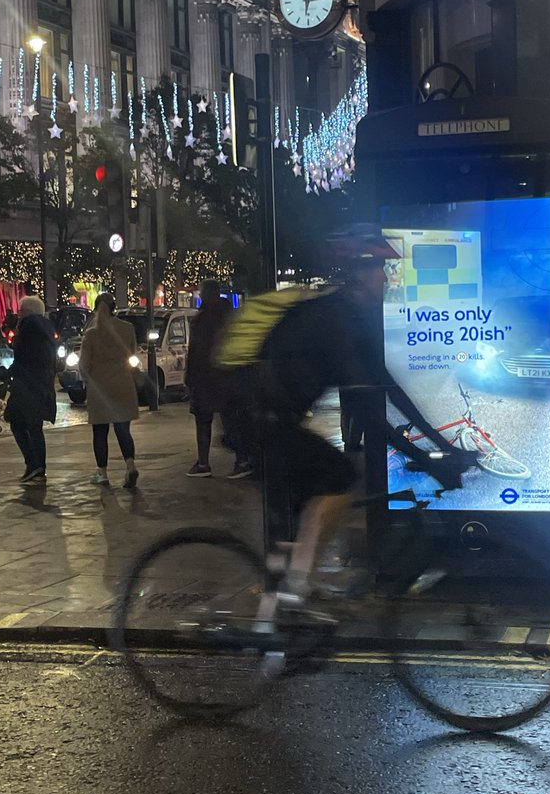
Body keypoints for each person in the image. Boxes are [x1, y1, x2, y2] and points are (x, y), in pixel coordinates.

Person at [249, 225, 475, 599]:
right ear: (359, 273)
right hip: (260, 420)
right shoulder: (336, 320)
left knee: (312, 504)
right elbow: (371, 415)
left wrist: (444, 446)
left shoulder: (350, 318)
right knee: (338, 478)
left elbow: (389, 391)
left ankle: (292, 592)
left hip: (273, 419)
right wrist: (428, 460)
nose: (385, 278)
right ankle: (296, 591)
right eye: (380, 270)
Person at [185, 280, 251, 479]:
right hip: (230, 376)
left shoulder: (201, 320)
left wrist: (189, 380)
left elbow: (195, 353)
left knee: (203, 420)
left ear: (205, 295)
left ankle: (203, 463)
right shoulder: (232, 317)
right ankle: (242, 460)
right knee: (232, 419)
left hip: (205, 378)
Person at [79, 293, 140, 489]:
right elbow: (132, 356)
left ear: (96, 309)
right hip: (123, 384)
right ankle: (130, 466)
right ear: (114, 308)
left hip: (100, 388)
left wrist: (89, 382)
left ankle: (102, 473)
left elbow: (83, 365)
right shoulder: (127, 329)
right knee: (123, 429)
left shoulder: (91, 333)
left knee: (100, 431)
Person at [5, 295, 56, 486]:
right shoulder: (45, 330)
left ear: (27, 312)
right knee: (35, 427)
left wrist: (10, 373)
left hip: (27, 387)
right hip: (41, 385)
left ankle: (33, 464)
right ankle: (38, 467)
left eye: (21, 311)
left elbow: (23, 358)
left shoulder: (28, 329)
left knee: (18, 423)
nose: (18, 314)